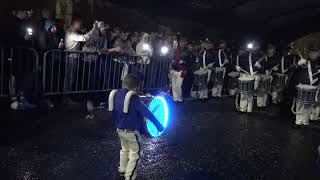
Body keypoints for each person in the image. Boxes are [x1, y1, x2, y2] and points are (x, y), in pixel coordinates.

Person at [108, 74, 164, 180]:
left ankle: (122, 170)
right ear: (136, 87)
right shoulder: (133, 98)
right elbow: (147, 113)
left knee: (124, 149)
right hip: (131, 132)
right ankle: (130, 177)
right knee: (136, 153)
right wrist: (159, 126)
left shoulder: (117, 94)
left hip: (119, 129)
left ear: (123, 83)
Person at [63, 18, 99, 103]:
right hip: (72, 57)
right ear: (76, 24)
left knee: (70, 78)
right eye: (80, 24)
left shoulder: (72, 31)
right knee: (70, 78)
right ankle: (66, 97)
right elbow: (84, 38)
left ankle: (67, 96)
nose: (81, 26)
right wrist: (94, 29)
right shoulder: (71, 32)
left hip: (73, 57)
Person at [292, 42, 320, 127]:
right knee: (300, 104)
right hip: (302, 87)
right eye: (311, 52)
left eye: (315, 52)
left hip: (314, 88)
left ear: (319, 53)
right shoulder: (305, 61)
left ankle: (305, 122)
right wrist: (298, 64)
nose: (312, 54)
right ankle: (298, 122)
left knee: (308, 105)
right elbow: (291, 69)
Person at [236, 42, 264, 112]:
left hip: (255, 75)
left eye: (254, 47)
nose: (251, 48)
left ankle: (249, 109)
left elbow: (265, 68)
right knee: (244, 92)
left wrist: (260, 67)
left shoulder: (260, 55)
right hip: (246, 75)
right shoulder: (243, 56)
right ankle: (243, 108)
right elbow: (240, 65)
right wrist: (238, 68)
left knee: (251, 93)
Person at [170, 36, 187, 102]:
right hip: (174, 69)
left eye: (183, 42)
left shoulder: (186, 51)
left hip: (181, 70)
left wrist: (184, 62)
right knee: (174, 86)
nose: (181, 43)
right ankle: (175, 98)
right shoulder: (175, 50)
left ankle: (180, 98)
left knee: (178, 86)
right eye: (180, 42)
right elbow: (170, 58)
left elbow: (189, 61)